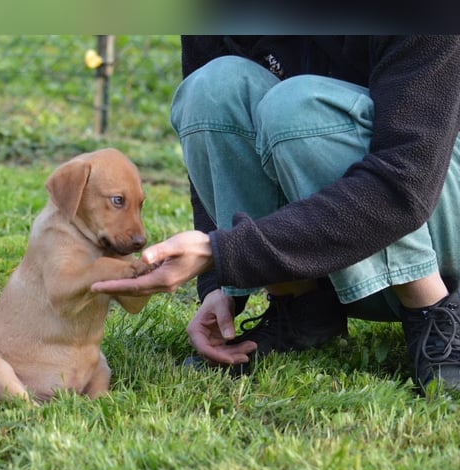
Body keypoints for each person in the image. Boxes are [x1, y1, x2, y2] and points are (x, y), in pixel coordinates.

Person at [92, 36, 460, 393]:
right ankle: (299, 307)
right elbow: (214, 142)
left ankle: (432, 313)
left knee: (297, 108)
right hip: (338, 239)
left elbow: (404, 185)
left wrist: (223, 252)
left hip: (435, 202)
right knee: (210, 89)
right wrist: (219, 288)